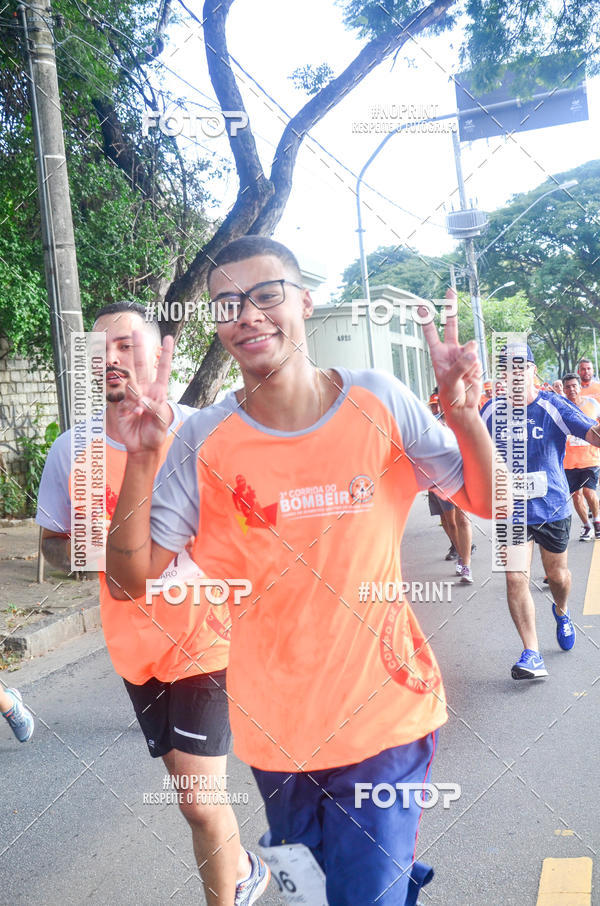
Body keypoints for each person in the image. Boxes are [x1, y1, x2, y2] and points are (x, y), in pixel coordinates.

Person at [105, 236, 498, 906]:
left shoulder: (377, 402)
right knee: (310, 893)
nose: (249, 314)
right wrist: (141, 461)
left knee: (358, 898)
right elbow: (127, 581)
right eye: (229, 303)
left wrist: (463, 416)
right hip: (274, 734)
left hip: (386, 714)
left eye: (266, 295)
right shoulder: (203, 441)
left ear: (304, 303)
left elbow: (490, 502)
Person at [36, 302, 269, 906]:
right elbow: (54, 548)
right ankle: (244, 867)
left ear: (159, 350)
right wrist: (98, 547)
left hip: (208, 637)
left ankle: (230, 891)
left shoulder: (205, 432)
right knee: (190, 793)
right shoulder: (73, 452)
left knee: (196, 800)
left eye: (125, 345)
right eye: (99, 350)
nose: (111, 359)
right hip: (136, 650)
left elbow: (258, 532)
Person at [482, 345, 600, 679]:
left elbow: (592, 434)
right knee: (514, 577)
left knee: (558, 576)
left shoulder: (553, 406)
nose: (514, 374)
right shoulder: (491, 411)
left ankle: (561, 611)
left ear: (533, 370)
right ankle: (531, 653)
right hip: (511, 510)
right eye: (506, 368)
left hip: (552, 506)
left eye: (520, 367)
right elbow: (470, 450)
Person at [427, 391, 475, 582]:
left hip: (461, 477)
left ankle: (466, 564)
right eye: (440, 401)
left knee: (463, 519)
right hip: (438, 479)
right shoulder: (431, 425)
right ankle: (460, 550)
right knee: (449, 522)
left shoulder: (464, 422)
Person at [562, 373, 600, 541]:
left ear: (579, 387)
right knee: (576, 495)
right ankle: (587, 526)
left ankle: (597, 521)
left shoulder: (592, 404)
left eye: (574, 386)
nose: (571, 389)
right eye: (568, 386)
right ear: (563, 389)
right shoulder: (560, 407)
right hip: (569, 460)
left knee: (588, 491)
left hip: (590, 457)